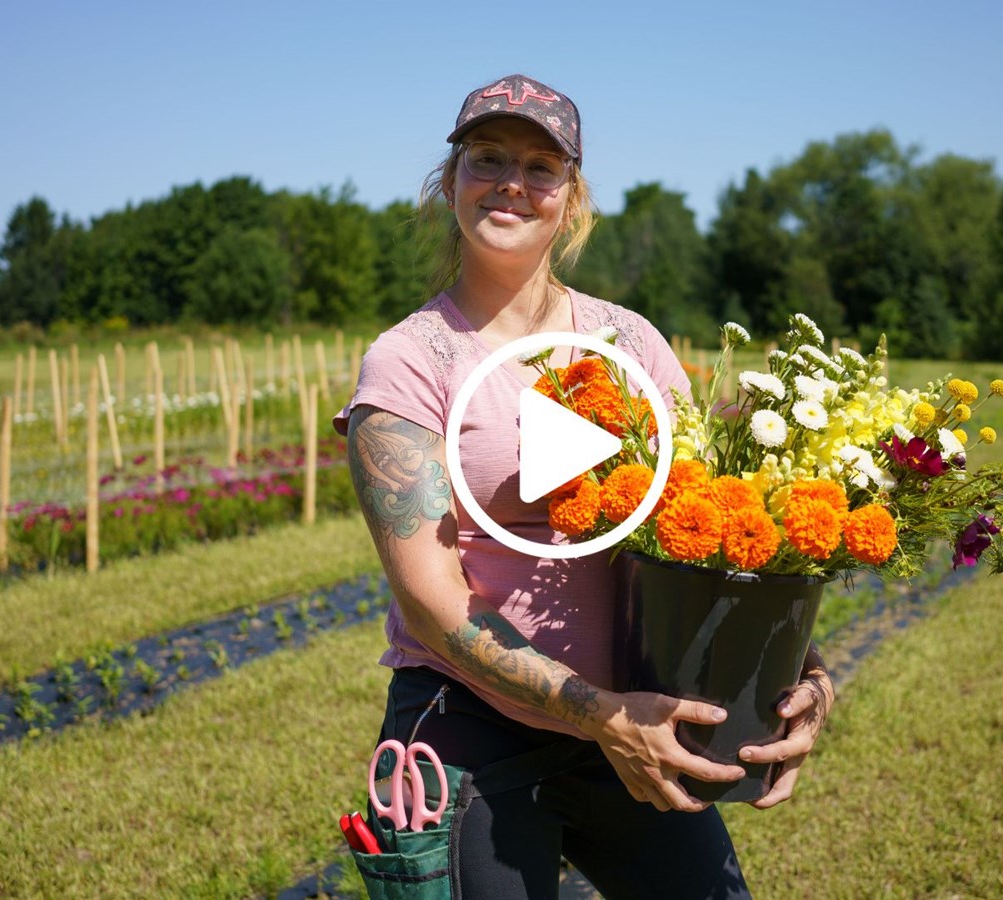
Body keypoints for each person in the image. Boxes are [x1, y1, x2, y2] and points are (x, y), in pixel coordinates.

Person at [334, 74, 834, 899]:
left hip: (637, 710)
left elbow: (707, 529)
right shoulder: (411, 360)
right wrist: (599, 713)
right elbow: (431, 600)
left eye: (541, 167)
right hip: (473, 725)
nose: (511, 183)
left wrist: (805, 675)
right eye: (486, 159)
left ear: (571, 200)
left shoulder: (627, 340)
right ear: (448, 183)